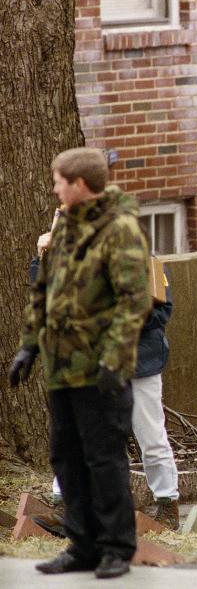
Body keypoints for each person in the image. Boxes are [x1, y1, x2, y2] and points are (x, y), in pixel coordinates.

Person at [9, 147, 152, 579]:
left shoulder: (120, 229)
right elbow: (45, 292)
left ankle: (115, 548)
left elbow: (134, 301)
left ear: (80, 185)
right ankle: (82, 544)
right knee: (66, 459)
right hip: (63, 369)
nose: (54, 188)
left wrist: (114, 358)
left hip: (101, 372)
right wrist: (29, 346)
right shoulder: (66, 226)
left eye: (58, 181)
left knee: (103, 460)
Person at [31, 186, 181, 534]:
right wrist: (44, 257)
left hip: (136, 363)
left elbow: (160, 313)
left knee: (150, 435)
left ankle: (167, 506)